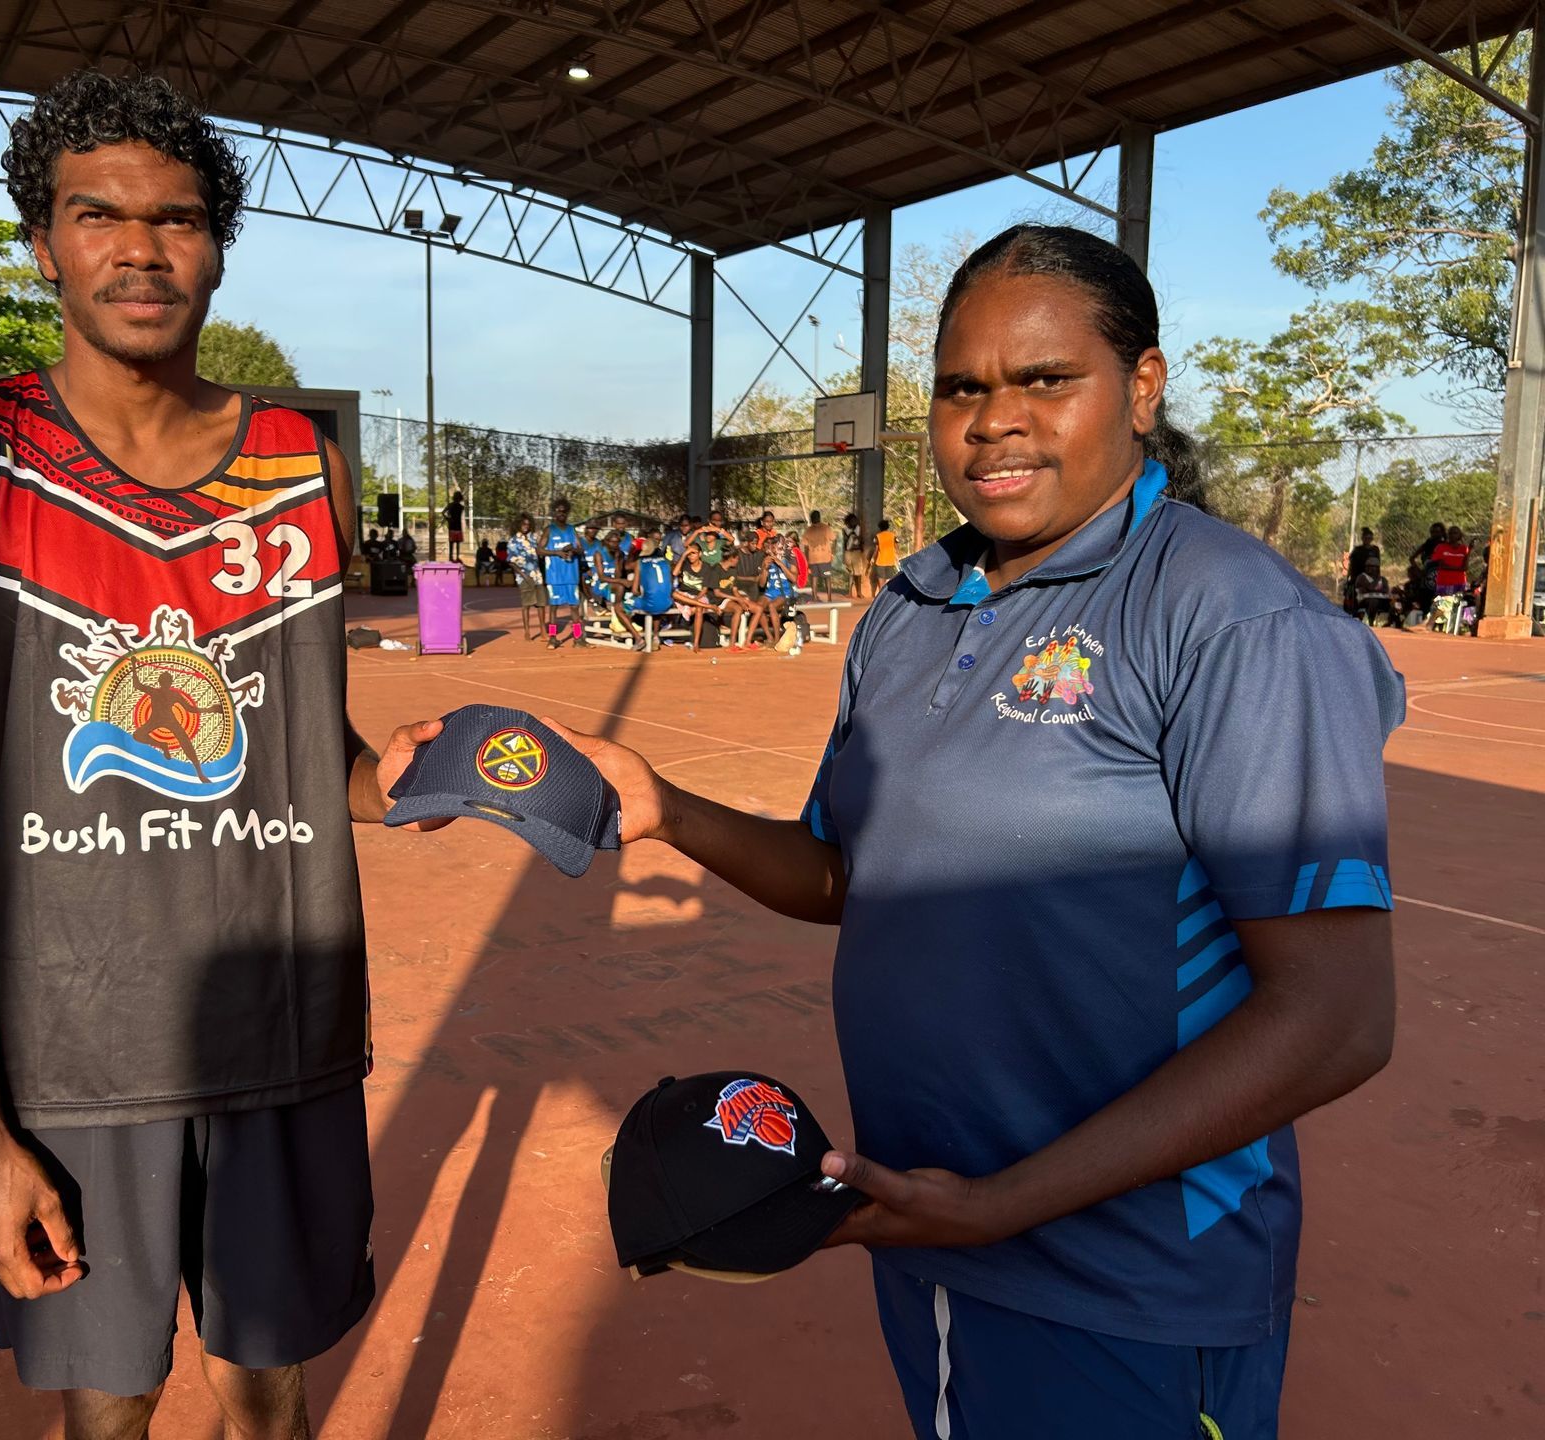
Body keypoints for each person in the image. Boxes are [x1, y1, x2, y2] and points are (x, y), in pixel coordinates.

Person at [553, 224, 1399, 1438]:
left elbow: (1337, 1019)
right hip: (932, 1230)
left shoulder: (1235, 620)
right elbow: (852, 874)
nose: (995, 420)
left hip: (1131, 1288)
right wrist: (670, 811)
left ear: (1142, 389)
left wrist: (1009, 1203)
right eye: (963, 388)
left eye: (1046, 380)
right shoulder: (910, 608)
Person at [0, 70, 441, 1440]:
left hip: (285, 1026)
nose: (141, 250)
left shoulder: (300, 461)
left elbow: (313, 745)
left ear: (218, 243)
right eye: (98, 217)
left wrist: (396, 774)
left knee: (268, 1392)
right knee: (109, 1411)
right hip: (76, 1047)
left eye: (177, 220)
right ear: (43, 242)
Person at [539, 498, 584, 649]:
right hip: (555, 576)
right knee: (553, 608)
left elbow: (581, 549)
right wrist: (557, 552)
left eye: (564, 511)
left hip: (571, 576)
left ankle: (578, 638)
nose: (561, 514)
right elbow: (539, 550)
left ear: (567, 513)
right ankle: (552, 638)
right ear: (554, 513)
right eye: (558, 511)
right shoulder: (549, 530)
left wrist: (573, 549)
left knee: (574, 607)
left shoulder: (572, 530)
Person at [506, 513, 546, 640]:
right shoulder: (513, 541)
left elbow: (540, 556)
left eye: (528, 524)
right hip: (523, 577)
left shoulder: (533, 539)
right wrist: (524, 575)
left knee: (541, 604)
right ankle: (527, 632)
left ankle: (543, 630)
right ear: (518, 524)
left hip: (537, 575)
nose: (526, 526)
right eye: (523, 524)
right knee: (526, 605)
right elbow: (511, 561)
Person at [1343, 527, 1381, 616]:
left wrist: (1378, 577)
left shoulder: (1375, 550)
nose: (1367, 540)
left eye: (1369, 538)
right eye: (1366, 538)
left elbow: (1378, 564)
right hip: (1358, 577)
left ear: (1372, 539)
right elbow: (1351, 565)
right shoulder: (1357, 550)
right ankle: (1356, 613)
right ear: (1362, 538)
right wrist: (1349, 577)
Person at [803, 509, 836, 599]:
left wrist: (807, 559)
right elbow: (834, 539)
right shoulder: (826, 528)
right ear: (819, 518)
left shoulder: (808, 530)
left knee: (814, 577)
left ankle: (814, 596)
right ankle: (829, 597)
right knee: (827, 577)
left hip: (813, 558)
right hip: (825, 557)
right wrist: (833, 553)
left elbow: (805, 547)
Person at [1430, 525, 1471, 596]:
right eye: (1450, 533)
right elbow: (1441, 565)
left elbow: (1465, 567)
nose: (1452, 535)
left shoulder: (1464, 549)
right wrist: (1460, 569)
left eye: (1455, 533)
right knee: (1444, 606)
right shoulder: (1441, 547)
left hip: (1459, 582)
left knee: (1457, 605)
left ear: (1460, 535)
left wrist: (1470, 550)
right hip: (1444, 582)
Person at [841, 511, 869, 598]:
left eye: (855, 521)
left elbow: (862, 540)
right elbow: (846, 541)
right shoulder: (846, 530)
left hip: (856, 552)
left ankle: (859, 592)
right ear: (848, 521)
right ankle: (850, 592)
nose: (855, 522)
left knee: (858, 573)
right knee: (851, 573)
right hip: (849, 552)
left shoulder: (858, 529)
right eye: (853, 521)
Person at [871, 518, 900, 587]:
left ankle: (881, 594)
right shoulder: (893, 536)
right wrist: (897, 557)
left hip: (880, 561)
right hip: (890, 561)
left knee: (881, 580)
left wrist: (872, 558)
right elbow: (896, 547)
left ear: (880, 527)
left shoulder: (878, 536)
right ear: (888, 527)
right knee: (889, 581)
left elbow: (876, 549)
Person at [444, 488, 466, 562]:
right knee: (456, 543)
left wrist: (448, 519)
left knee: (452, 542)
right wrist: (448, 518)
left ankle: (452, 557)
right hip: (457, 526)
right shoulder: (461, 507)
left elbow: (443, 512)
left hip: (453, 526)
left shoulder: (451, 505)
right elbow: (443, 512)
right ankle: (456, 557)